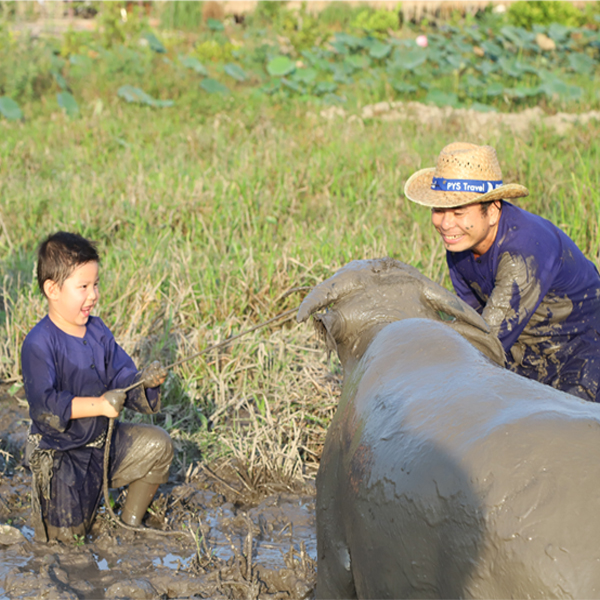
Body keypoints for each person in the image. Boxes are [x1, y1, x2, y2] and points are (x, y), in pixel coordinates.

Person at [404, 142, 600, 402]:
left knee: (570, 431)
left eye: (459, 211)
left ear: (493, 210)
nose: (445, 223)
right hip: (523, 347)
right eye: (438, 210)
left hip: (579, 348)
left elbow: (486, 342)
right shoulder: (461, 245)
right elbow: (472, 319)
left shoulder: (523, 253)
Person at [21, 231, 173, 543]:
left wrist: (147, 380)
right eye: (84, 287)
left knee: (159, 445)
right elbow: (46, 405)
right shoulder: (38, 344)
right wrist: (100, 405)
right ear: (52, 289)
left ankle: (130, 523)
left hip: (104, 446)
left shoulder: (98, 331)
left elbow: (122, 377)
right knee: (66, 549)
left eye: (96, 284)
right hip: (63, 459)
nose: (93, 295)